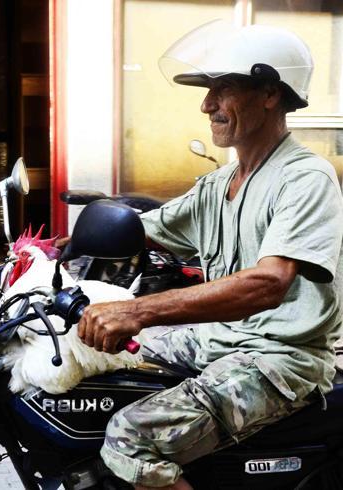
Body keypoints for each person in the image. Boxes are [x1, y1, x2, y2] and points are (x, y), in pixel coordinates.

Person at [77, 21, 343, 490]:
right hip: (220, 340)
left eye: (222, 90)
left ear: (269, 94)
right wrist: (56, 251)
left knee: (130, 435)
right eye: (208, 91)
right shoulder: (220, 184)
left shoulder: (306, 179)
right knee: (90, 361)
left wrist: (137, 311)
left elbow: (267, 283)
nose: (206, 105)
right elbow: (143, 231)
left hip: (279, 360)